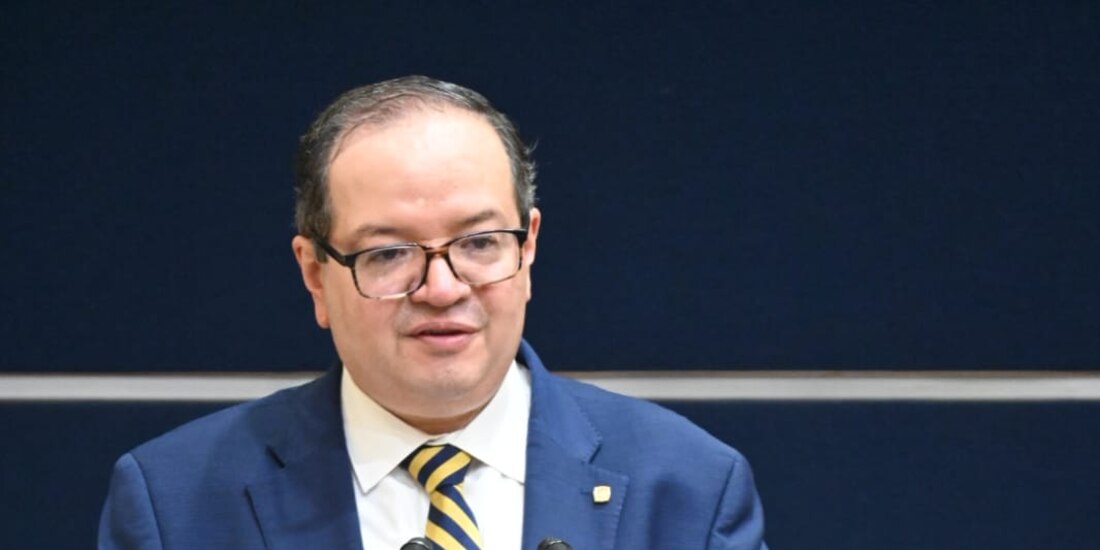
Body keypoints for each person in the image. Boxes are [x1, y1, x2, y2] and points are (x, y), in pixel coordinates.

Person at [98, 75, 768, 549]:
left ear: (529, 248)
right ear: (314, 273)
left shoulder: (686, 488)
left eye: (479, 244)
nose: (442, 288)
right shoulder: (175, 504)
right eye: (389, 253)